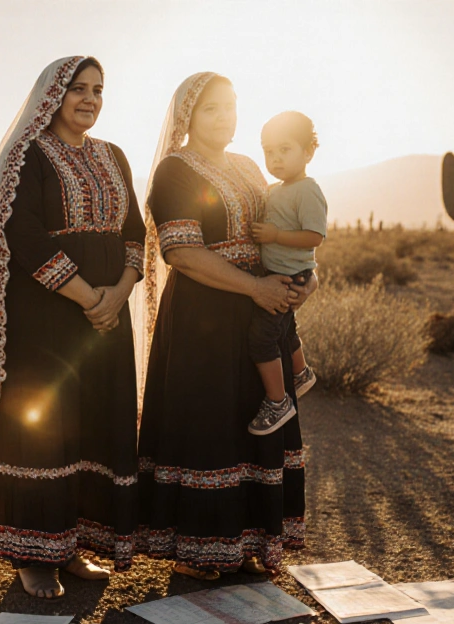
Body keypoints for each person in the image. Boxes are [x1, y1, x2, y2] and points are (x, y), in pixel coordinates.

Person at [0, 56, 146, 599]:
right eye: (79, 88)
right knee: (44, 428)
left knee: (93, 424)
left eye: (99, 90)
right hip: (45, 320)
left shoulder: (114, 156)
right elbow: (23, 235)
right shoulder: (26, 155)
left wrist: (117, 296)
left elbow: (133, 234)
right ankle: (32, 554)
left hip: (105, 322)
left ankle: (71, 545)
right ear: (53, 94)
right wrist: (85, 296)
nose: (90, 100)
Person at [131, 73, 313, 580]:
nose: (225, 117)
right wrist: (255, 287)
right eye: (212, 108)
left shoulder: (250, 165)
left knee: (257, 419)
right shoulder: (175, 171)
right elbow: (183, 254)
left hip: (264, 313)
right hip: (204, 318)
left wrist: (304, 282)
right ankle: (199, 549)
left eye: (231, 106)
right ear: (187, 115)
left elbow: (287, 238)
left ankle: (251, 541)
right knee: (210, 425)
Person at [247, 111, 328, 436]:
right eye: (269, 151)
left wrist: (274, 236)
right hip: (280, 273)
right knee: (284, 330)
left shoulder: (307, 190)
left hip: (288, 276)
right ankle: (301, 373)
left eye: (285, 149)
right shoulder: (279, 187)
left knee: (262, 338)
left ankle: (278, 400)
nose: (275, 158)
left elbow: (315, 237)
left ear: (308, 151)